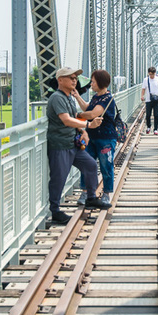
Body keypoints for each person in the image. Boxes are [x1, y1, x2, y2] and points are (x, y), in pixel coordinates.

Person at [46, 67, 112, 225]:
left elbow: (75, 116)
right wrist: (88, 125)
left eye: (75, 77)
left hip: (72, 143)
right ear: (60, 80)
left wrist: (82, 130)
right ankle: (55, 211)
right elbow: (66, 120)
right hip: (60, 145)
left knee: (90, 165)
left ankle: (90, 198)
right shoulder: (57, 97)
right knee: (59, 178)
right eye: (70, 77)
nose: (74, 80)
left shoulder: (68, 97)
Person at [72, 69, 117, 205]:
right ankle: (86, 192)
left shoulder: (107, 98)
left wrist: (76, 116)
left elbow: (92, 114)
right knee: (87, 164)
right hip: (91, 137)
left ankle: (106, 194)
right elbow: (88, 108)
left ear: (100, 82)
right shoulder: (96, 97)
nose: (91, 84)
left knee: (106, 165)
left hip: (106, 138)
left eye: (93, 82)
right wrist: (77, 96)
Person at [141, 67, 158, 135]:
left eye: (152, 74)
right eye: (150, 74)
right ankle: (148, 126)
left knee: (156, 115)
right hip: (148, 99)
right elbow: (143, 89)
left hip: (156, 99)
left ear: (155, 73)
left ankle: (156, 129)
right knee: (148, 115)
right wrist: (142, 96)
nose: (151, 76)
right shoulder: (146, 80)